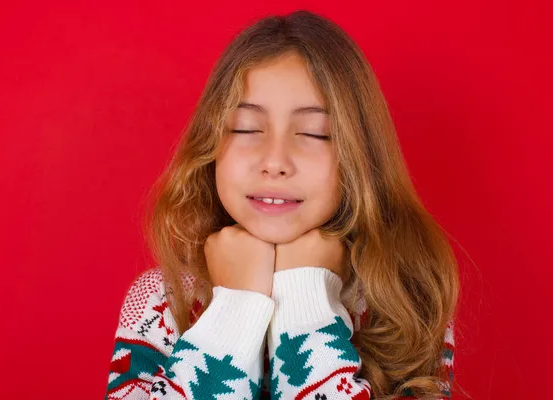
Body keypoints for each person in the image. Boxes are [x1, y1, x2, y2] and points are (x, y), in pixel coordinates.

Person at [104, 9, 460, 400]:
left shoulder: (405, 302)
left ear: (362, 154)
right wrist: (233, 312)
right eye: (245, 128)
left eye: (314, 133)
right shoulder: (162, 301)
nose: (274, 161)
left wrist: (305, 303)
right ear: (211, 146)